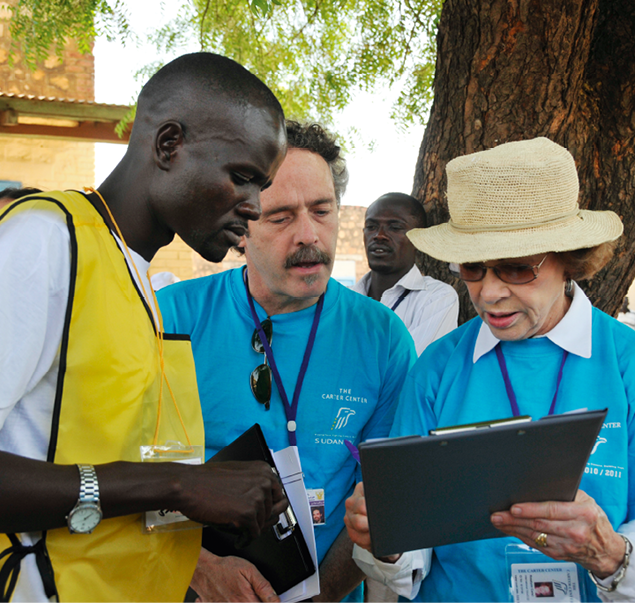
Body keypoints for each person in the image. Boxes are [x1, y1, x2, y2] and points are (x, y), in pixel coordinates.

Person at [0, 52, 288, 603]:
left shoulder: (137, 276)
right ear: (168, 145)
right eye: (243, 177)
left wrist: (208, 502)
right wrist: (178, 486)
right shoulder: (46, 241)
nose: (254, 206)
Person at [344, 137, 635, 603]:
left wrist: (610, 557)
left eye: (516, 269)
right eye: (474, 267)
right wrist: (387, 542)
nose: (488, 293)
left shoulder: (627, 362)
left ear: (570, 260)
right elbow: (406, 557)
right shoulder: (437, 367)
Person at [158, 121, 416, 603]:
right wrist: (199, 568)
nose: (308, 235)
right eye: (280, 217)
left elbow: (381, 501)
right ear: (240, 229)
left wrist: (320, 598)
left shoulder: (383, 338)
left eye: (322, 211)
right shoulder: (171, 317)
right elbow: (126, 467)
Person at [351, 193, 458, 355]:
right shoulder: (344, 298)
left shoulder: (437, 298)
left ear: (418, 239)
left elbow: (410, 366)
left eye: (395, 228)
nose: (379, 235)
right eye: (371, 227)